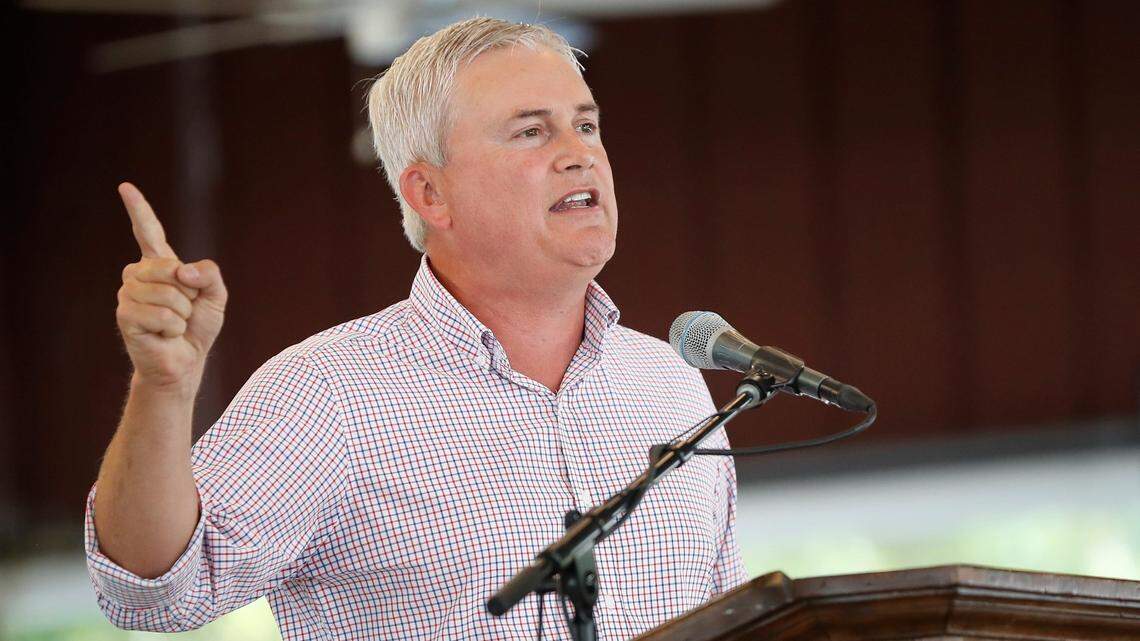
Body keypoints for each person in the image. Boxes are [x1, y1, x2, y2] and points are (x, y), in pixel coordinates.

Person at [86, 17, 747, 640]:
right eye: (531, 132)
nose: (580, 155)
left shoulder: (670, 381)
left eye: (586, 125)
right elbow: (152, 591)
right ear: (430, 194)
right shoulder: (327, 392)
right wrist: (162, 388)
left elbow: (734, 614)